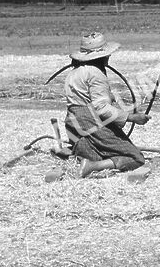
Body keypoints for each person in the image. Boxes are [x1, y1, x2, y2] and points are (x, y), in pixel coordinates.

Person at [62, 32, 151, 177]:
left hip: (73, 121)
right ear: (102, 55)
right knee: (135, 158)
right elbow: (100, 108)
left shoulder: (75, 72)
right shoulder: (96, 74)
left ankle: (89, 158)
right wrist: (132, 118)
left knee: (99, 152)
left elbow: (87, 98)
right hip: (89, 121)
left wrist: (116, 100)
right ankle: (93, 166)